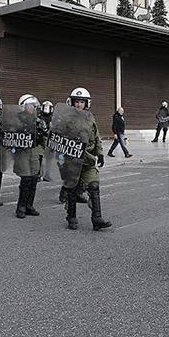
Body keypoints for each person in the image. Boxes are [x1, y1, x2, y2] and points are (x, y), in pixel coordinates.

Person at [64, 87, 111, 231]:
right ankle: (71, 217)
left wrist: (100, 152)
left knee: (94, 186)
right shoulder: (66, 119)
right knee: (71, 190)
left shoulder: (91, 118)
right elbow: (58, 138)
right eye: (76, 101)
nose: (79, 104)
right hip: (72, 161)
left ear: (86, 104)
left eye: (81, 102)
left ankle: (97, 219)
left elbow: (96, 138)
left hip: (88, 159)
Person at [13, 94, 47, 218]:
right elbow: (10, 137)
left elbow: (45, 138)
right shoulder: (16, 120)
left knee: (34, 179)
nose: (32, 108)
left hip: (34, 152)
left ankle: (29, 205)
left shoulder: (39, 121)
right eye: (30, 106)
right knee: (26, 179)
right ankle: (20, 207)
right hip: (22, 152)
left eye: (34, 106)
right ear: (23, 106)